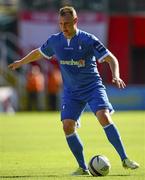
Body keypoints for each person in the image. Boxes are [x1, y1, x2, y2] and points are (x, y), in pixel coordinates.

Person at [8, 6, 139, 176]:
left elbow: (110, 58)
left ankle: (125, 159)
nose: (64, 27)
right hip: (71, 92)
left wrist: (116, 75)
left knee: (103, 116)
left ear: (76, 21)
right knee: (67, 126)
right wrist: (21, 62)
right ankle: (82, 168)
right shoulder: (55, 40)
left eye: (67, 24)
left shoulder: (88, 40)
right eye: (61, 24)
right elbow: (39, 53)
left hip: (92, 87)